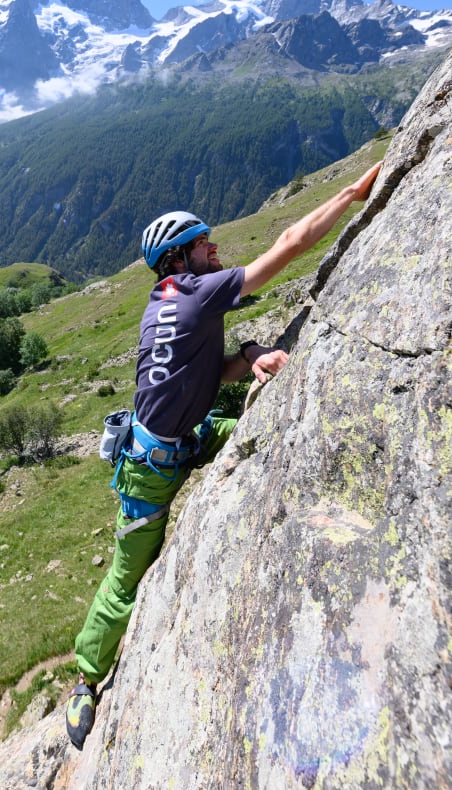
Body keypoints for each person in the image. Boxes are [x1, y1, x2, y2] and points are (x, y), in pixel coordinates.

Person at [65, 162, 382, 750]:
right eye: (205, 245)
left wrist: (252, 354)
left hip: (184, 435)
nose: (217, 252)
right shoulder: (196, 293)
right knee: (127, 576)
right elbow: (290, 245)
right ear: (181, 259)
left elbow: (206, 371)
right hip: (150, 471)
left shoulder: (166, 302)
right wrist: (355, 193)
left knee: (275, 434)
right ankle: (85, 680)